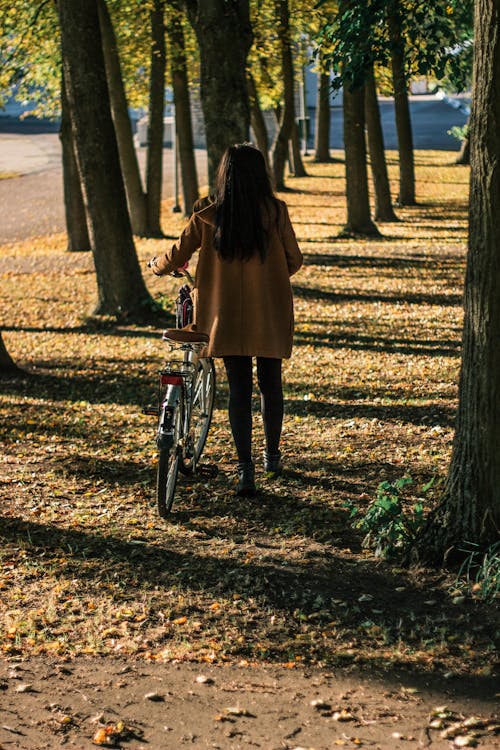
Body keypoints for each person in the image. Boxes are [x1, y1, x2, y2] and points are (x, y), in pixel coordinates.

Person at [148, 143, 303, 496]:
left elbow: (177, 254)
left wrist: (157, 265)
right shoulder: (276, 212)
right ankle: (273, 458)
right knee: (270, 383)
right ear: (261, 173)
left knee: (238, 389)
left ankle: (245, 470)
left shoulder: (208, 215)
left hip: (224, 314)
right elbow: (294, 258)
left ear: (225, 174)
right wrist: (271, 277)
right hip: (270, 309)